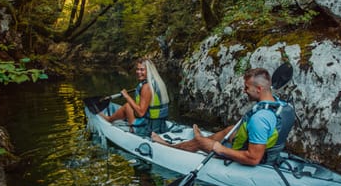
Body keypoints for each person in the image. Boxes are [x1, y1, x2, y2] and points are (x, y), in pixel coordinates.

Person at [151, 67, 295, 165]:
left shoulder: (260, 119)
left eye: (247, 88)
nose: (244, 91)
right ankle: (203, 138)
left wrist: (219, 149)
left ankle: (170, 147)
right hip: (269, 150)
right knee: (230, 130)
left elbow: (253, 159)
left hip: (253, 156)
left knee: (200, 142)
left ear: (259, 89)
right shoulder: (280, 105)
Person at [101, 58, 170, 136]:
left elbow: (140, 113)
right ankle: (116, 118)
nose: (138, 72)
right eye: (137, 69)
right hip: (160, 125)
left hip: (149, 129)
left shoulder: (146, 87)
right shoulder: (157, 82)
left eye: (142, 70)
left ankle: (109, 119)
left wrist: (127, 96)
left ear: (148, 71)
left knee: (128, 106)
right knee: (130, 106)